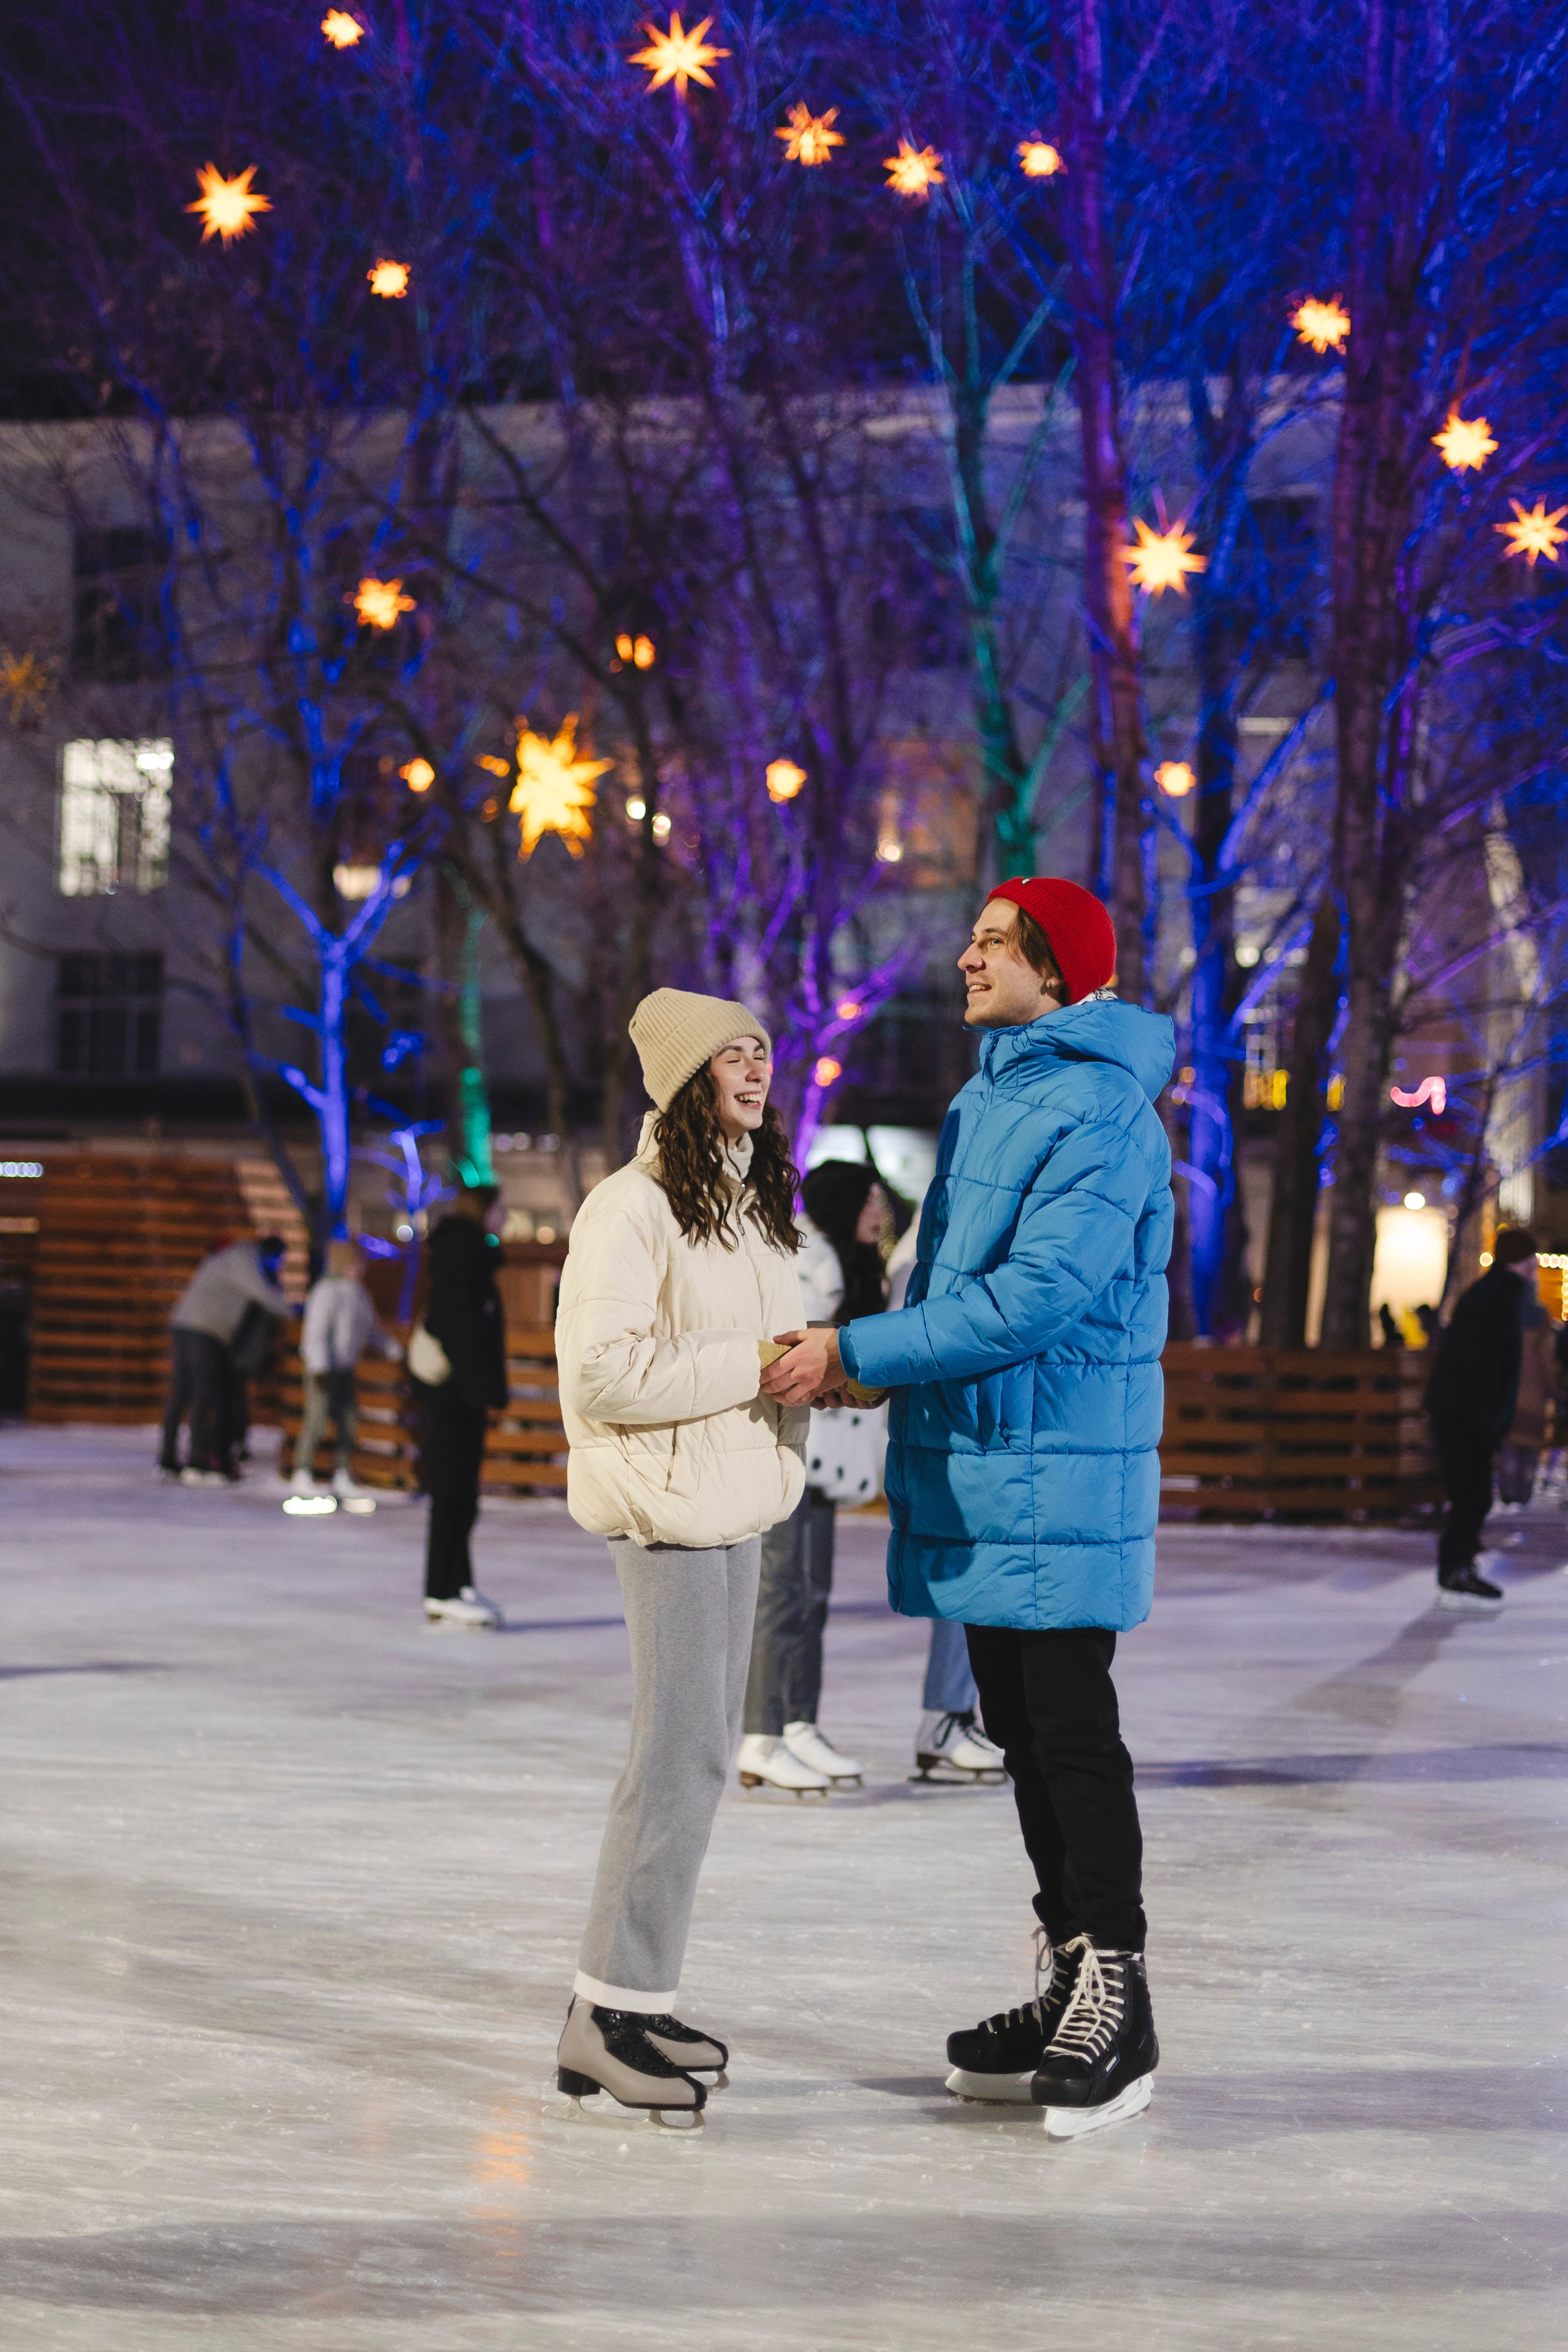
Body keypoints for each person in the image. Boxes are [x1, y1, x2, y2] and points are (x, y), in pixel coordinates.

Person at [764, 876, 1172, 2140]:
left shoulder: (1101, 1110)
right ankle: (1062, 1973)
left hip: (1055, 1459)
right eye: (975, 938)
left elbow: (1039, 1296)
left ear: (1059, 969)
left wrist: (857, 1352)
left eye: (995, 943)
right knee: (1011, 1718)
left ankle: (1118, 1987)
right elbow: (946, 1276)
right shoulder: (986, 1094)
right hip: (986, 1461)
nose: (964, 956)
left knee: (1065, 1724)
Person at [552, 990, 809, 2121]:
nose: (755, 1067)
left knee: (699, 1754)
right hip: (663, 1506)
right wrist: (758, 1365)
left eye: (762, 1049)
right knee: (678, 1755)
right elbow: (602, 1371)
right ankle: (601, 2014)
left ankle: (633, 2000)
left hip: (735, 1499)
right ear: (681, 1075)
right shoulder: (631, 1208)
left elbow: (754, 1347)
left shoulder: (747, 1203)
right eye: (731, 1054)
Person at [736, 1159, 886, 1795]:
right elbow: (786, 1352)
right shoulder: (809, 1260)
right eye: (872, 1200)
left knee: (811, 1591)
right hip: (791, 1448)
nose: (881, 1214)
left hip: (824, 1453)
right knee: (782, 1589)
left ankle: (798, 1722)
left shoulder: (843, 1261)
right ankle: (761, 1733)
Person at [1424, 1227, 1541, 1605]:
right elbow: (1482, 1364)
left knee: (1473, 1493)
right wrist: (1488, 1417)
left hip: (1463, 1411)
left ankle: (1460, 1564)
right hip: (1462, 1413)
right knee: (1471, 1493)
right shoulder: (1495, 1298)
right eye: (1532, 1260)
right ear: (1521, 1262)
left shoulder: (1496, 1293)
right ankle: (1456, 1566)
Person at [413, 1186, 508, 1627]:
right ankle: (441, 1590)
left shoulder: (470, 1256)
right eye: (501, 1209)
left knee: (463, 1497)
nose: (505, 1218)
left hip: (462, 1397)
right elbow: (461, 1330)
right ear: (485, 1211)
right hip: (452, 1398)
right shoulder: (460, 1257)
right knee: (451, 1495)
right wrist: (480, 1390)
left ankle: (460, 1583)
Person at [161, 1234, 290, 1484]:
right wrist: (294, 1310)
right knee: (203, 1393)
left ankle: (171, 1457)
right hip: (204, 1330)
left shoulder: (232, 1258)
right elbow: (262, 1293)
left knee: (183, 1392)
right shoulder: (245, 1259)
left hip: (188, 1325)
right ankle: (197, 1459)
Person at [292, 1240, 402, 1497]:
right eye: (356, 1264)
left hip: (345, 1367)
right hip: (323, 1369)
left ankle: (342, 1473)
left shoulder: (359, 1294)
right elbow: (316, 1332)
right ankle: (303, 1472)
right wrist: (318, 1366)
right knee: (316, 1421)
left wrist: (394, 1350)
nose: (361, 1269)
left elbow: (371, 1330)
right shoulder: (327, 1291)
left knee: (348, 1421)